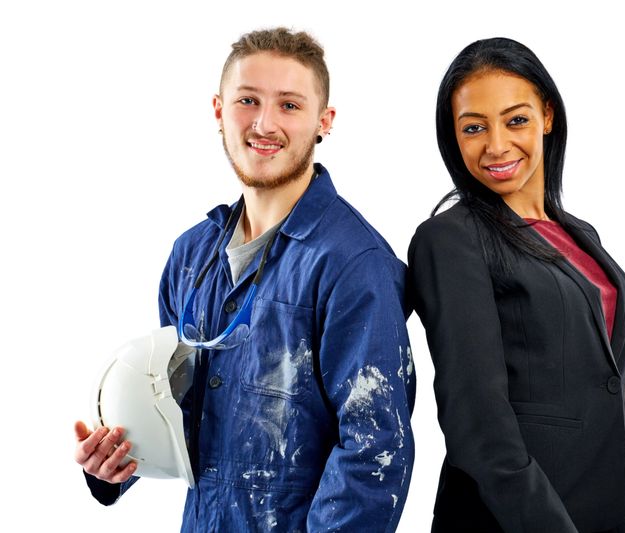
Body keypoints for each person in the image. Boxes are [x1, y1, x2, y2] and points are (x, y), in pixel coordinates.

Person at [74, 27, 415, 532]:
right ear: (218, 110)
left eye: (289, 105)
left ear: (324, 121)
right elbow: (176, 411)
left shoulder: (352, 264)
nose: (264, 123)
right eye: (247, 100)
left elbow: (375, 454)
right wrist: (117, 462)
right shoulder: (192, 256)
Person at [408, 37, 625, 533]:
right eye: (474, 127)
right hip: (508, 520)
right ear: (453, 135)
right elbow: (477, 424)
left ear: (547, 115)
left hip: (599, 510)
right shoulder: (449, 240)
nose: (496, 145)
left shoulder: (581, 234)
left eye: (515, 120)